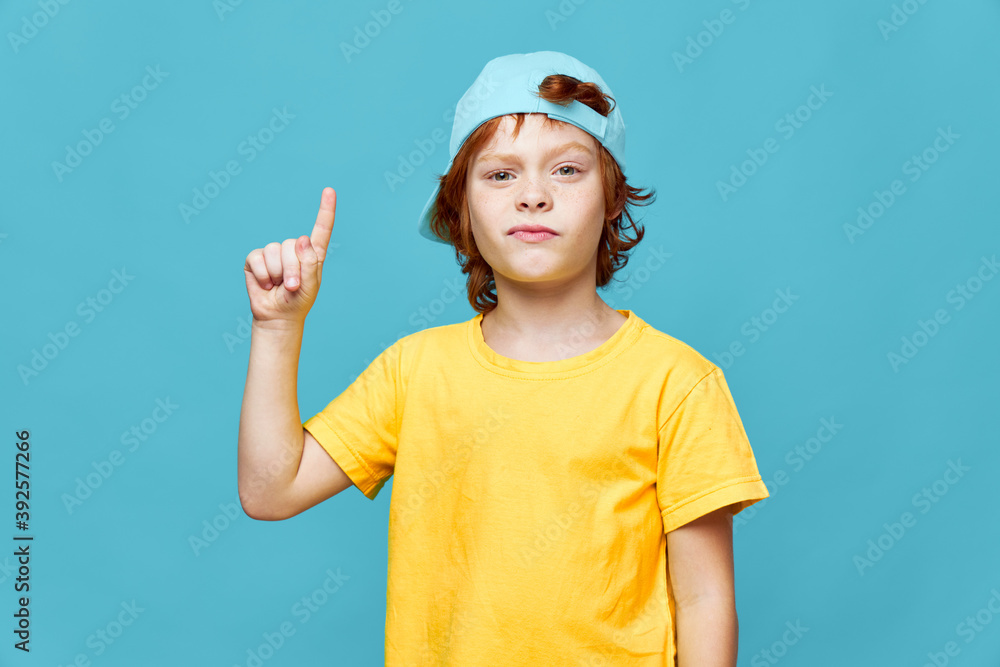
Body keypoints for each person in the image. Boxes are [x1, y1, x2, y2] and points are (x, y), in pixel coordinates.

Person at [238, 50, 770, 667]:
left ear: (613, 200)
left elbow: (704, 598)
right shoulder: (415, 371)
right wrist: (278, 327)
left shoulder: (676, 384)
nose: (534, 197)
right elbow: (270, 490)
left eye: (567, 170)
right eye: (501, 175)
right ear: (461, 208)